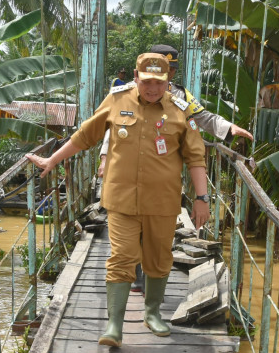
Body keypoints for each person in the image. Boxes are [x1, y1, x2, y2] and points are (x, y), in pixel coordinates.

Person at [26, 53, 209, 348]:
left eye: (159, 83)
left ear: (167, 82)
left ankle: (152, 313)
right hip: (122, 199)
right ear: (136, 78)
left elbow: (196, 158)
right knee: (121, 257)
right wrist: (52, 160)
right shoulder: (117, 100)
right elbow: (85, 136)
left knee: (159, 259)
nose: (152, 88)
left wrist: (202, 199)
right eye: (147, 81)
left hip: (162, 202)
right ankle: (114, 324)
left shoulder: (180, 110)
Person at [98, 43, 254, 294]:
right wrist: (105, 157)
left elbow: (203, 117)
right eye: (164, 67)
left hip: (163, 173)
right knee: (133, 223)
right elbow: (115, 128)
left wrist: (228, 128)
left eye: (172, 69)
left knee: (155, 228)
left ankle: (151, 279)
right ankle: (136, 272)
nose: (167, 73)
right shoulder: (126, 92)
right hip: (129, 171)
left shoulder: (181, 96)